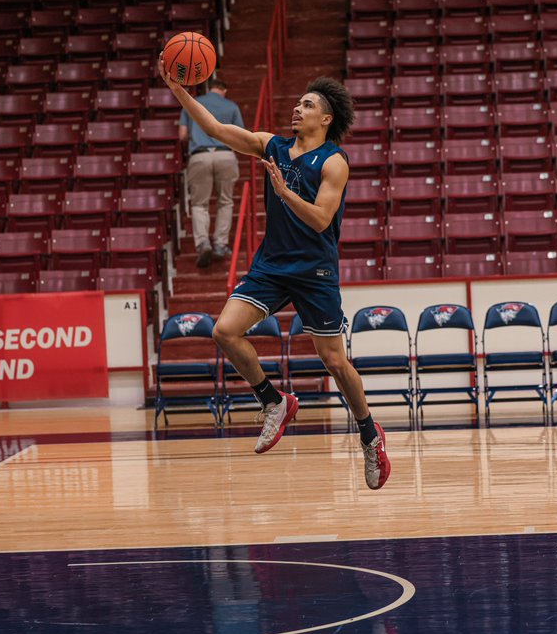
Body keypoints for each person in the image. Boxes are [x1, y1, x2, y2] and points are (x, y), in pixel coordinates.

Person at [160, 61, 392, 490]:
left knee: (335, 363)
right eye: (298, 103)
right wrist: (179, 91)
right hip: (272, 264)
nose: (296, 109)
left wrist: (284, 194)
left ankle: (368, 433)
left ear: (326, 119)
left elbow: (322, 219)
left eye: (307, 105)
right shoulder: (274, 147)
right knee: (225, 331)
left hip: (314, 270)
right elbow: (215, 129)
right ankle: (274, 400)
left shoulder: (334, 162)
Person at [179, 77, 244, 269]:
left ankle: (203, 244)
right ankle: (220, 244)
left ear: (209, 89)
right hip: (225, 155)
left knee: (199, 203)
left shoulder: (193, 103)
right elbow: (241, 135)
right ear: (223, 90)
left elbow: (182, 134)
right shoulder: (231, 106)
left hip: (199, 156)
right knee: (225, 201)